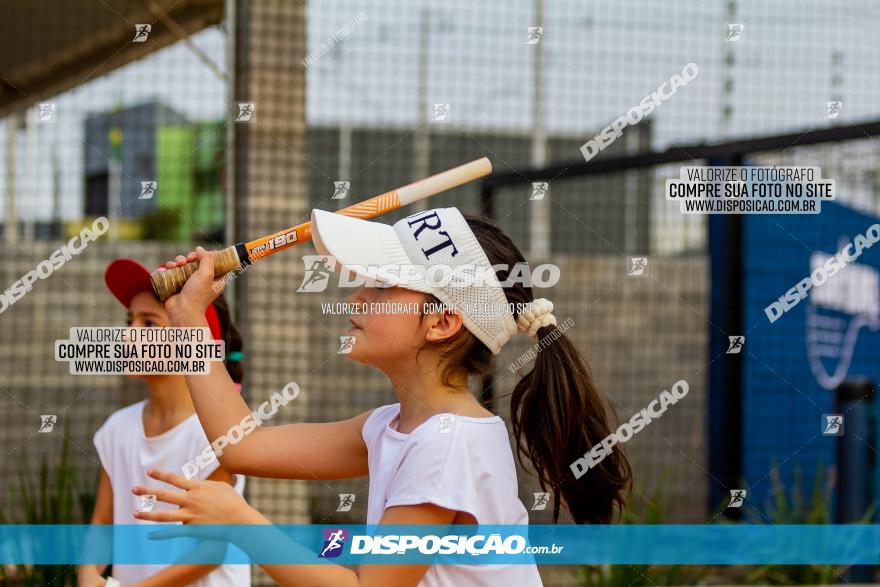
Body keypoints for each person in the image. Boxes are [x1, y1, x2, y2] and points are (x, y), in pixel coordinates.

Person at [132, 207, 632, 586]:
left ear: (442, 322)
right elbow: (243, 446)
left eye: (384, 284)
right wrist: (190, 320)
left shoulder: (446, 444)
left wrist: (241, 522)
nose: (357, 297)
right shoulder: (393, 426)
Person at [77, 259, 250, 587]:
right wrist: (88, 574)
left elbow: (210, 550)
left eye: (149, 324)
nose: (130, 335)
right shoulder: (116, 429)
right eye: (130, 321)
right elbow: (102, 522)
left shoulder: (215, 435)